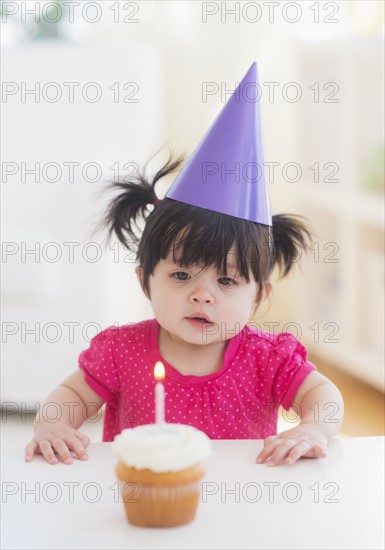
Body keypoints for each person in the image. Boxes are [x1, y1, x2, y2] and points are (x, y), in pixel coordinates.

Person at [25, 62, 344, 467]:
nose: (201, 294)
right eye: (180, 275)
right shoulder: (122, 353)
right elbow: (71, 397)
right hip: (149, 497)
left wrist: (314, 427)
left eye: (226, 280)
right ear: (145, 281)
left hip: (245, 502)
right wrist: (52, 425)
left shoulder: (267, 359)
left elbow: (324, 397)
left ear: (259, 295)